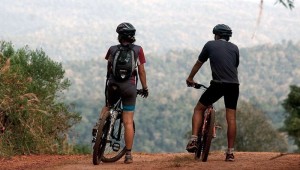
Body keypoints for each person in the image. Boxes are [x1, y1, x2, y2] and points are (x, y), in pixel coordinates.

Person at [93, 22, 149, 164]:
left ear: (119, 36)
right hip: (129, 88)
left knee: (108, 105)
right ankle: (128, 155)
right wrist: (145, 87)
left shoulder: (112, 49)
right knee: (128, 121)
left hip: (113, 86)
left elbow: (109, 67)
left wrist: (110, 80)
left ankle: (99, 124)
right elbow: (141, 71)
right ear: (133, 37)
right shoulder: (138, 50)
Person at [186, 24, 239, 162]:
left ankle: (193, 140)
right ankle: (230, 153)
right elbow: (234, 66)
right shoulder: (235, 48)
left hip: (218, 84)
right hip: (234, 85)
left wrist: (190, 78)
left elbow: (199, 63)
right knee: (231, 118)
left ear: (217, 35)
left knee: (198, 109)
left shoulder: (210, 45)